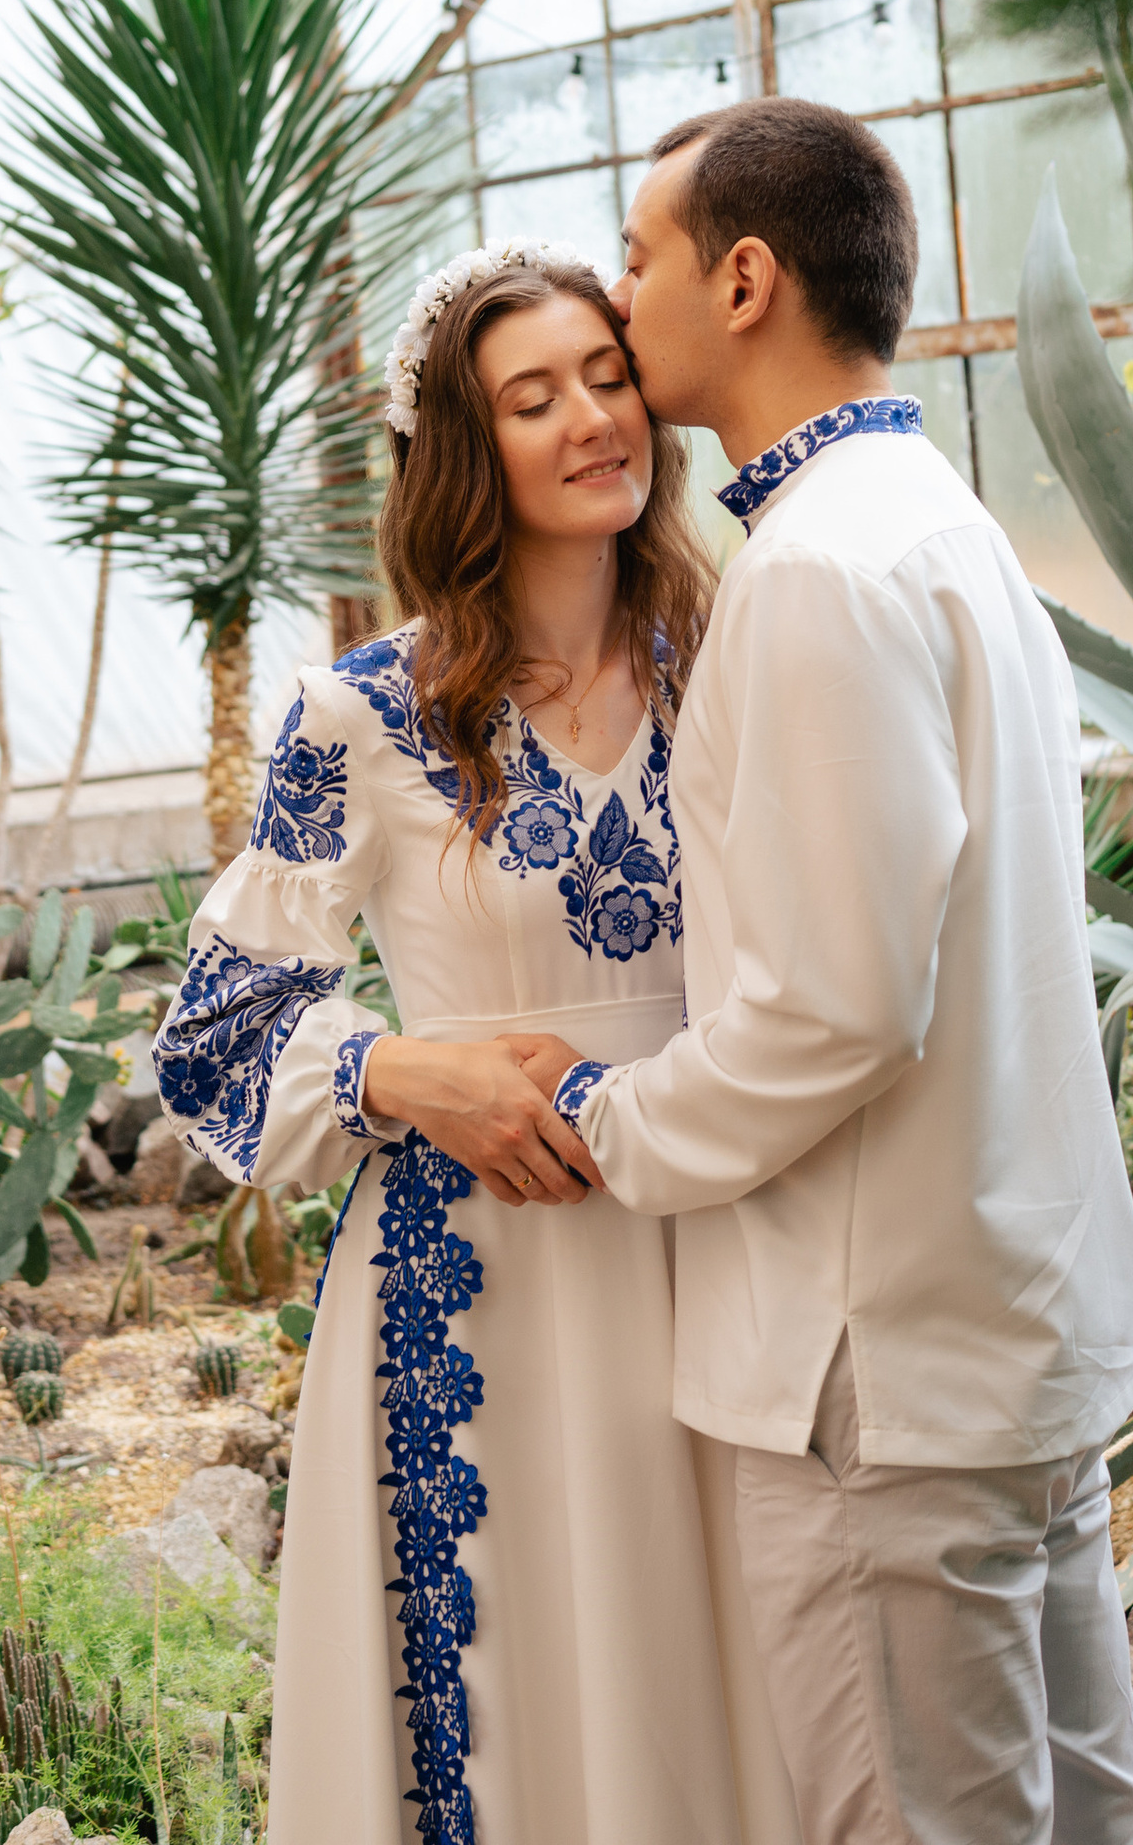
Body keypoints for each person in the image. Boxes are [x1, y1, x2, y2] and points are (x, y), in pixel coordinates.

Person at [508, 99, 1133, 1845]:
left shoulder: (814, 573)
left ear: (743, 281)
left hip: (877, 1366)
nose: (619, 294)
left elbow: (840, 1004)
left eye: (639, 256)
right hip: (1007, 1320)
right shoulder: (938, 522)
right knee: (1099, 1819)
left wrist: (609, 1117)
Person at [148, 241, 800, 1845]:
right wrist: (395, 1071)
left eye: (608, 376)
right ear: (463, 448)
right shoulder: (356, 715)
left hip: (728, 1254)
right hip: (477, 1283)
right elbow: (214, 1031)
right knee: (517, 1718)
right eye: (533, 397)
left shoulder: (743, 660)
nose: (594, 418)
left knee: (735, 1696)